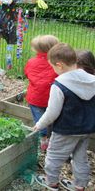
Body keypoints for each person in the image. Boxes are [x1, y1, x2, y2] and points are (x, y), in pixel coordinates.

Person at [34, 43, 95, 191]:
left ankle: (51, 182)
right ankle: (80, 185)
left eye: (53, 67)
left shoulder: (59, 85)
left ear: (59, 65)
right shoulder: (92, 79)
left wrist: (39, 124)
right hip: (86, 128)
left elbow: (52, 112)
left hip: (65, 130)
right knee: (80, 158)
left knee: (54, 156)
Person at [24, 35, 59, 151]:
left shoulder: (31, 62)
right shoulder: (57, 63)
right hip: (52, 98)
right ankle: (53, 138)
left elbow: (27, 74)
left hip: (35, 98)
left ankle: (43, 139)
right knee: (53, 116)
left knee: (39, 117)